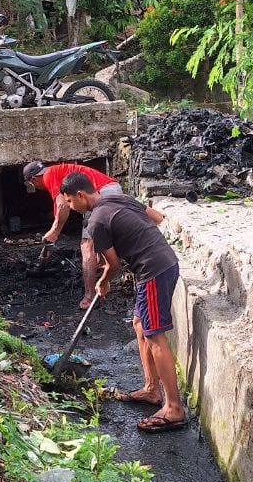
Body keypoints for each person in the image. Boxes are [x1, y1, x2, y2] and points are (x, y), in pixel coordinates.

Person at [59, 173, 186, 434]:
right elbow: (156, 218)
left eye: (70, 201)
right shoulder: (119, 198)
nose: (70, 207)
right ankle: (151, 389)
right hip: (161, 262)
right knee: (140, 324)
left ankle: (174, 409)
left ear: (80, 195)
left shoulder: (96, 221)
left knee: (154, 335)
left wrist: (103, 281)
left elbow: (113, 265)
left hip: (153, 270)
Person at [23, 160, 122, 308]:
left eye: (31, 184)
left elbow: (63, 206)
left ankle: (90, 297)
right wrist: (54, 231)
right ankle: (102, 275)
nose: (35, 187)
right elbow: (60, 209)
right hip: (112, 189)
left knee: (87, 246)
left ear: (34, 179)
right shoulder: (56, 172)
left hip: (102, 192)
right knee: (98, 238)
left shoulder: (48, 176)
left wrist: (55, 232)